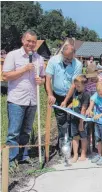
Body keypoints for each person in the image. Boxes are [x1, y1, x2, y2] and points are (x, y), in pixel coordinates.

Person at [2, 30, 45, 169]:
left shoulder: (39, 58)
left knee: (26, 131)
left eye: (33, 42)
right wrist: (25, 69)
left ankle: (23, 156)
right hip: (16, 100)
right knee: (13, 132)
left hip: (32, 100)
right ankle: (10, 161)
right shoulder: (13, 55)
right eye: (29, 41)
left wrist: (41, 81)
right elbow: (5, 76)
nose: (31, 44)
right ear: (23, 40)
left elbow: (43, 77)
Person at [46, 44, 82, 155]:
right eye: (66, 58)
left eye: (70, 58)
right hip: (57, 95)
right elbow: (48, 79)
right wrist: (50, 94)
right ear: (62, 53)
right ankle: (64, 148)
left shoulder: (78, 64)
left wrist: (66, 101)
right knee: (61, 122)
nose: (67, 60)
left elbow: (73, 85)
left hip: (72, 97)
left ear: (73, 55)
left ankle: (74, 147)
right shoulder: (53, 61)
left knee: (73, 120)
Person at [67, 75, 89, 163]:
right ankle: (75, 154)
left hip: (81, 120)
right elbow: (74, 102)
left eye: (78, 86)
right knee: (75, 136)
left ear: (84, 85)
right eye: (75, 85)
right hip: (73, 118)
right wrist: (69, 106)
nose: (76, 87)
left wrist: (81, 123)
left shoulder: (86, 95)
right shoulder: (75, 92)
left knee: (83, 137)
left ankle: (83, 153)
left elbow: (83, 109)